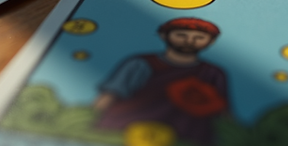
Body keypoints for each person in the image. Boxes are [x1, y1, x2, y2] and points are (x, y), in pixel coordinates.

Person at [93, 18, 228, 145]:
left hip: (188, 136)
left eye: (199, 37)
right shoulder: (141, 63)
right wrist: (90, 120)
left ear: (211, 41)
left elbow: (223, 111)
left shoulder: (213, 73)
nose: (189, 41)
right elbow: (110, 95)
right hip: (127, 129)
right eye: (181, 35)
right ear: (164, 36)